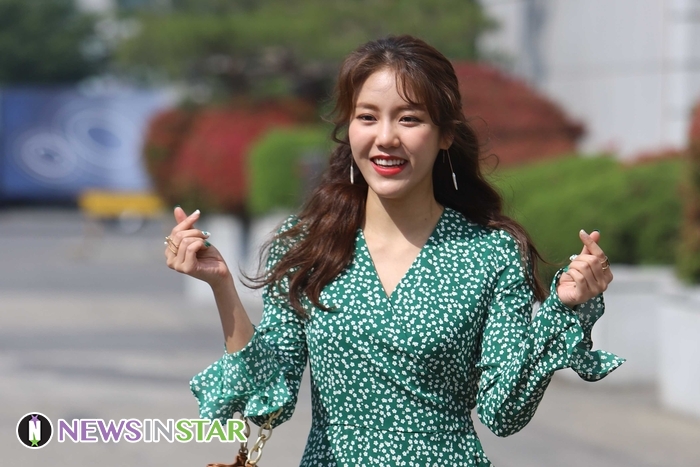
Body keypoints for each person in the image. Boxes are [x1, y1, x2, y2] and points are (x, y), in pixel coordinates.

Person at [164, 35, 624, 466]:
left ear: (445, 134)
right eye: (367, 117)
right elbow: (268, 402)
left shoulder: (491, 252)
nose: (385, 137)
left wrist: (563, 309)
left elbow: (505, 414)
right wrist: (222, 287)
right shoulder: (307, 245)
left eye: (409, 119)